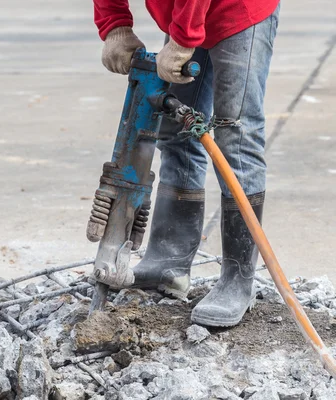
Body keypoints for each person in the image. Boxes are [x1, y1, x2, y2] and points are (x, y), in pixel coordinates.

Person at [93, 0, 280, 327]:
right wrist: (114, 25)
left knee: (234, 135)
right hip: (185, 12)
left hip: (238, 10)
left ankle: (238, 280)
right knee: (176, 129)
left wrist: (182, 39)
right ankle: (170, 262)